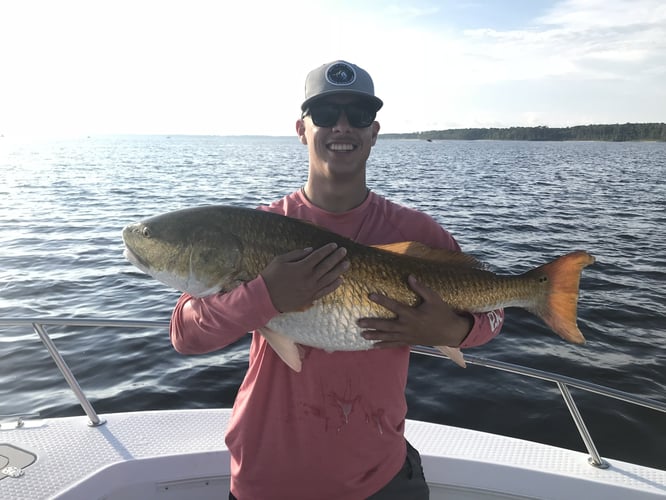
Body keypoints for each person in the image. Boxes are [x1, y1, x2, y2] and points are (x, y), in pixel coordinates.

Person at [170, 60, 504, 500]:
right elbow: (185, 335)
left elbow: (494, 310)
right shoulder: (261, 227)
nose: (341, 127)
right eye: (326, 115)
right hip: (265, 476)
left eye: (358, 116)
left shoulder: (417, 233)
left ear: (374, 131)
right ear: (302, 129)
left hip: (379, 477)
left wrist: (452, 331)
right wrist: (263, 295)